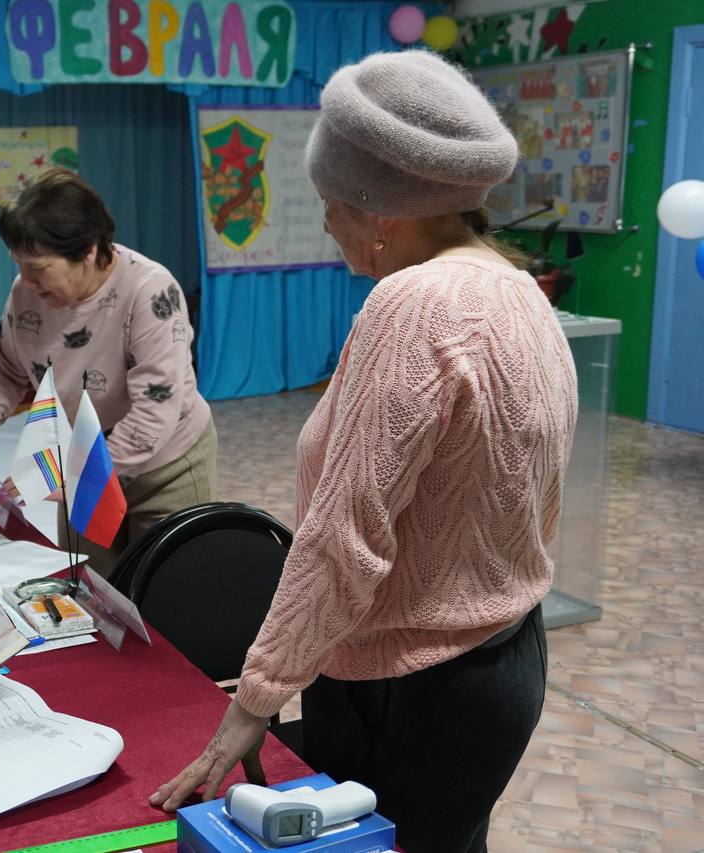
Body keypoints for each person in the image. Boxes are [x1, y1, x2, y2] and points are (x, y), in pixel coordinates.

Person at [151, 50, 578, 853]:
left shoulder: (412, 304)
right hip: (503, 658)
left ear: (382, 214)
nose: (325, 223)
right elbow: (533, 495)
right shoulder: (518, 289)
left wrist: (256, 698)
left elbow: (345, 533)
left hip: (412, 685)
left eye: (331, 203)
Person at [0, 168, 216, 576]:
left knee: (163, 586)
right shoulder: (27, 293)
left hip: (163, 468)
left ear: (88, 250)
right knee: (89, 585)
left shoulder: (149, 290)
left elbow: (155, 408)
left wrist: (79, 475)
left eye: (38, 268)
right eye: (19, 265)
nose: (26, 281)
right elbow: (6, 369)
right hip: (81, 457)